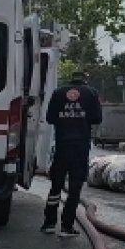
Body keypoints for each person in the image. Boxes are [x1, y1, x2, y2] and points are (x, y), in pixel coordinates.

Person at [42, 70, 101, 237]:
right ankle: (66, 226)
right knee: (75, 187)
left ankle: (49, 223)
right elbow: (97, 118)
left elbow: (50, 118)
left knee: (56, 185)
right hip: (80, 146)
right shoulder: (91, 93)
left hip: (62, 144)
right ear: (84, 80)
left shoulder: (58, 93)